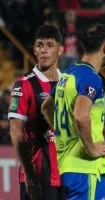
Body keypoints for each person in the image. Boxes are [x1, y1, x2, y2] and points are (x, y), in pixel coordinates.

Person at [41, 23, 105, 200]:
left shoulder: (67, 74)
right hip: (86, 170)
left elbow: (46, 107)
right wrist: (92, 149)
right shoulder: (91, 77)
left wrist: (65, 134)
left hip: (66, 168)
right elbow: (81, 117)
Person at [8, 25, 64, 200]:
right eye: (40, 45)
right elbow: (16, 132)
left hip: (67, 173)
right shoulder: (24, 84)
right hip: (38, 175)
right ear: (34, 49)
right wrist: (29, 174)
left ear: (60, 49)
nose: (44, 51)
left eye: (49, 45)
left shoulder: (69, 83)